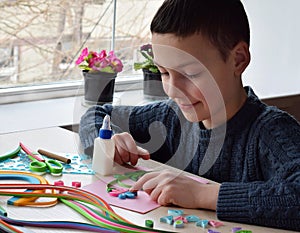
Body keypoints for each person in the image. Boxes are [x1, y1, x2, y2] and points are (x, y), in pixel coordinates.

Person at [79, 0, 300, 231]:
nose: (173, 90)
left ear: (238, 60)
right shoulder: (171, 116)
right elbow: (96, 114)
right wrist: (107, 141)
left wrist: (202, 193)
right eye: (163, 72)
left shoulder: (272, 131)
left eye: (191, 74)